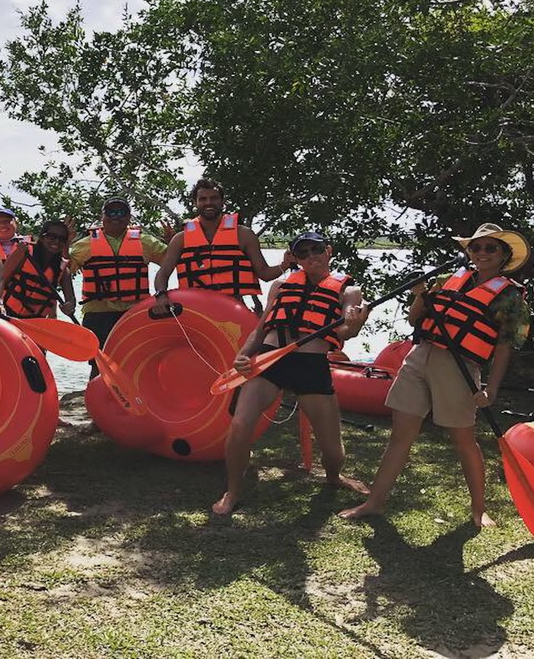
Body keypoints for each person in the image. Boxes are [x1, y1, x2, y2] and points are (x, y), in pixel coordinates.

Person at [340, 223, 531, 528]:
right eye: (476, 247)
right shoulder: (448, 280)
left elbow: (506, 345)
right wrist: (419, 295)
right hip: (419, 357)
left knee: (463, 440)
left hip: (459, 367)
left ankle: (479, 509)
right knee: (400, 436)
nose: (481, 253)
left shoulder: (510, 296)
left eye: (490, 248)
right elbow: (416, 318)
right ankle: (374, 503)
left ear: (504, 255)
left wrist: (490, 389)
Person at [212, 231, 371, 515]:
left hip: (311, 367)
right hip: (270, 361)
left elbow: (346, 330)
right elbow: (263, 327)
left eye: (316, 250)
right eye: (303, 253)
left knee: (333, 452)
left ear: (328, 251)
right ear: (295, 259)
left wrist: (355, 324)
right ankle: (233, 490)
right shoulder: (281, 285)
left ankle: (334, 477)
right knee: (239, 426)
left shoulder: (349, 291)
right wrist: (244, 354)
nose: (311, 257)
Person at [151, 179, 290, 316]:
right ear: (196, 203)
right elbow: (162, 274)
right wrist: (161, 295)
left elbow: (264, 273)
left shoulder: (244, 234)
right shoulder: (180, 239)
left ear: (222, 202)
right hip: (194, 310)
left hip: (233, 309)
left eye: (214, 198)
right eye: (203, 199)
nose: (208, 203)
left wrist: (285, 264)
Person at [68, 197, 168, 377]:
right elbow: (64, 270)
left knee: (137, 360)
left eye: (121, 212)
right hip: (98, 313)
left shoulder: (145, 242)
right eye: (111, 212)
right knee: (99, 362)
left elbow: (170, 261)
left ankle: (138, 401)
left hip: (133, 312)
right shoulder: (85, 245)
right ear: (102, 216)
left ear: (129, 217)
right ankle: (99, 401)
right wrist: (65, 244)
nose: (116, 216)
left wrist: (173, 241)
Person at [0, 220, 76, 319]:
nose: (57, 241)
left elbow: (71, 300)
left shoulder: (63, 269)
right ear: (42, 237)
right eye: (51, 237)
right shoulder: (24, 252)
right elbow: (1, 280)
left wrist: (69, 306)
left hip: (34, 322)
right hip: (6, 315)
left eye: (62, 239)